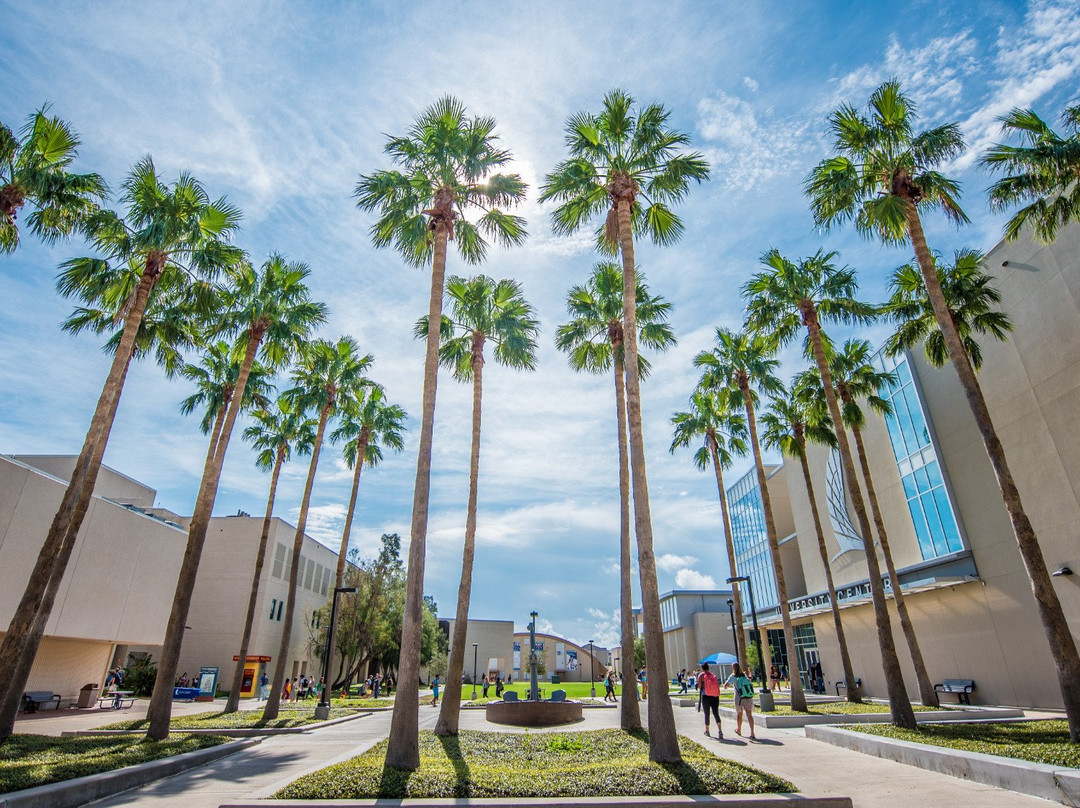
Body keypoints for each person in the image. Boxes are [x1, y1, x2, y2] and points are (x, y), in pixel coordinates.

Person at [724, 662, 757, 740]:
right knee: (749, 715)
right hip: (748, 697)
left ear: (733, 668)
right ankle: (752, 732)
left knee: (739, 714)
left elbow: (726, 685)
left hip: (739, 698)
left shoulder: (733, 676)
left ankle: (739, 729)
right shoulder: (744, 675)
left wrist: (728, 685)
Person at [698, 662, 722, 738]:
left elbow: (699, 686)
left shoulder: (701, 675)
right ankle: (720, 731)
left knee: (707, 714)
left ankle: (707, 731)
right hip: (715, 696)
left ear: (702, 668)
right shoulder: (712, 675)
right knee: (716, 713)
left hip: (706, 696)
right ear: (708, 667)